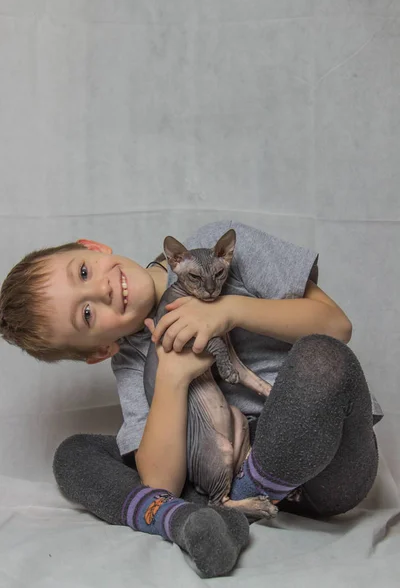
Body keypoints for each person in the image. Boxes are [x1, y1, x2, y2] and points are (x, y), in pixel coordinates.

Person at [0, 220, 382, 578]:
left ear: (93, 247)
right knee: (75, 453)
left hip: (321, 471)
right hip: (218, 464)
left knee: (324, 362)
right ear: (100, 349)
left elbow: (337, 325)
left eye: (83, 272)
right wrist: (172, 374)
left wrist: (230, 311)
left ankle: (231, 504)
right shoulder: (131, 359)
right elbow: (160, 481)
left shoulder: (217, 248)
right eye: (86, 313)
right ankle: (188, 520)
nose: (103, 290)